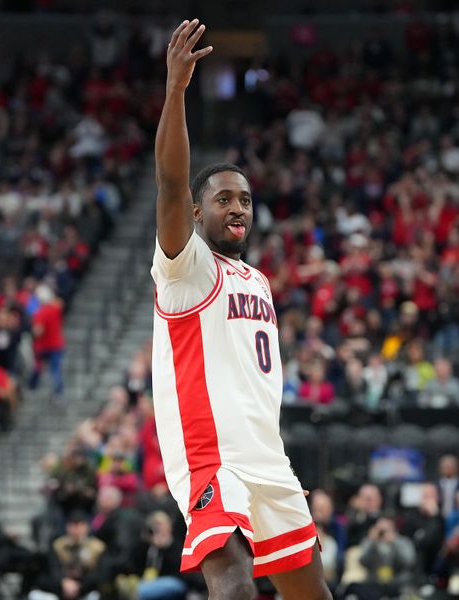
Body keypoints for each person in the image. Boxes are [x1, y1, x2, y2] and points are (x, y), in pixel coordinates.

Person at [149, 19, 330, 600]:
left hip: (265, 454)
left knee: (311, 591)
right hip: (210, 455)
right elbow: (172, 183)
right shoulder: (186, 265)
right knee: (233, 583)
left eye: (245, 199)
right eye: (223, 198)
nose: (238, 208)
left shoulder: (257, 278)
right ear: (197, 215)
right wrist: (176, 91)